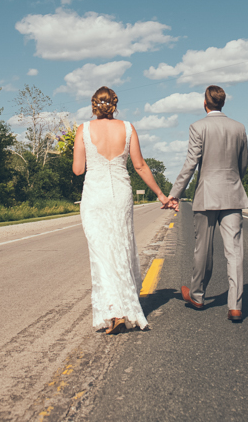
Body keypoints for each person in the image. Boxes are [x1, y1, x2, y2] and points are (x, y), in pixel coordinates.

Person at [72, 86, 171, 335]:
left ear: (94, 105)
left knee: (102, 253)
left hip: (95, 196)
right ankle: (124, 307)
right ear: (114, 105)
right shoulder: (127, 128)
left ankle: (114, 311)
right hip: (120, 193)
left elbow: (78, 170)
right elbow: (139, 165)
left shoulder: (83, 130)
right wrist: (161, 195)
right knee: (122, 247)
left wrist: (73, 149)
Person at [166, 85, 248, 323]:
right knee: (234, 251)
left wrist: (175, 193)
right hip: (233, 194)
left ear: (205, 103)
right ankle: (235, 306)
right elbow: (243, 163)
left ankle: (198, 296)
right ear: (223, 103)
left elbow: (191, 163)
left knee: (203, 248)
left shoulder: (198, 127)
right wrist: (234, 182)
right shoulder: (239, 128)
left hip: (206, 195)